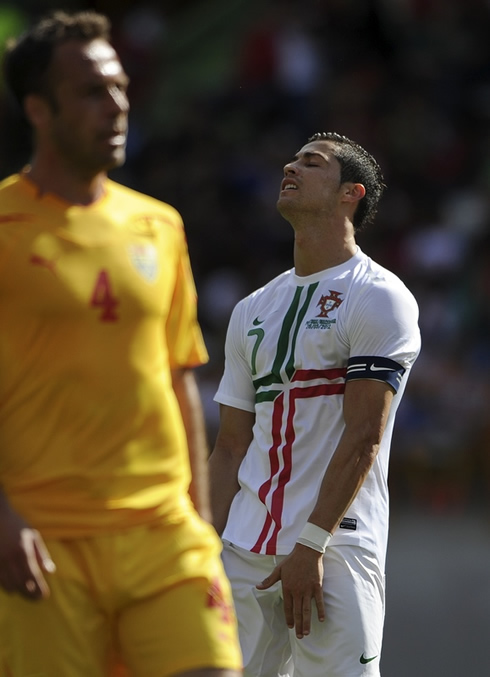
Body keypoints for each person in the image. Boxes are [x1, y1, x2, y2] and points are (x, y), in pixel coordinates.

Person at [0, 10, 242, 677]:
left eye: (120, 87)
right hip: (45, 542)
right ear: (38, 110)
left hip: (164, 537)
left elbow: (176, 378)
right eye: (91, 92)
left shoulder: (158, 225)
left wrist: (198, 519)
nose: (117, 105)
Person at [209, 131, 421, 677]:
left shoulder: (379, 296)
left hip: (335, 548)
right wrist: (202, 544)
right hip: (243, 547)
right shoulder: (252, 309)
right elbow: (230, 446)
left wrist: (312, 543)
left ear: (352, 193)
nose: (291, 166)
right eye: (292, 159)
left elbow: (364, 435)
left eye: (312, 162)